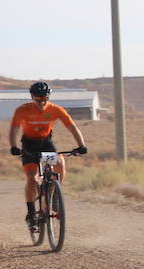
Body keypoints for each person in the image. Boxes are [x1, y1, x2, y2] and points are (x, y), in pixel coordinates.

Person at [9, 82, 88, 228]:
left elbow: (72, 127)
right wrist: (14, 146)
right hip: (29, 145)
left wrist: (81, 145)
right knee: (32, 178)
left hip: (46, 143)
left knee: (59, 163)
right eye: (38, 100)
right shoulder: (22, 110)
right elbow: (14, 129)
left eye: (45, 99)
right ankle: (31, 212)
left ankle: (54, 195)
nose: (42, 103)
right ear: (32, 97)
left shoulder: (56, 110)